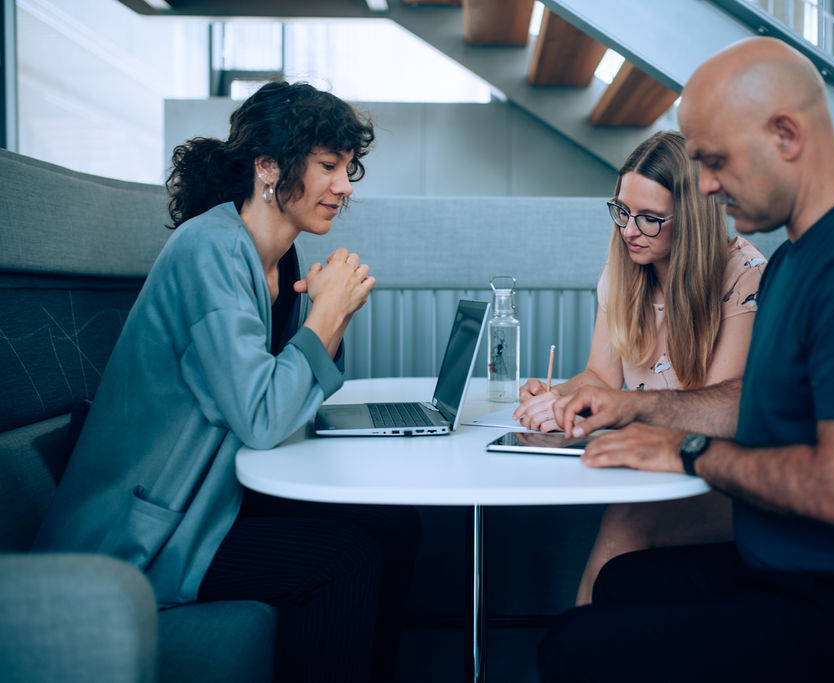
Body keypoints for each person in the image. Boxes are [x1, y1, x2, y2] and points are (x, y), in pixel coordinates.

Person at [537, 37, 834, 682]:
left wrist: (686, 451)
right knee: (620, 580)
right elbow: (746, 399)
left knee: (572, 645)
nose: (707, 187)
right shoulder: (798, 255)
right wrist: (635, 408)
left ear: (785, 135)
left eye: (715, 162)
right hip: (786, 562)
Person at [32, 81, 420, 683]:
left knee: (394, 524)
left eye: (348, 168)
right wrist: (327, 315)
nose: (345, 186)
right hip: (153, 529)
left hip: (213, 494)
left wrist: (329, 316)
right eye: (328, 167)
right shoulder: (209, 252)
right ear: (268, 167)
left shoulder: (279, 260)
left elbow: (283, 399)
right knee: (344, 560)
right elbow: (263, 417)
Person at [513, 130, 765, 604]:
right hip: (651, 461)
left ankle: (579, 641)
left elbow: (721, 415)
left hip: (719, 473)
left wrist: (618, 407)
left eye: (649, 218)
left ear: (691, 219)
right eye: (622, 211)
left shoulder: (743, 274)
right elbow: (601, 377)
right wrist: (557, 396)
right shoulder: (624, 270)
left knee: (623, 520)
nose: (629, 230)